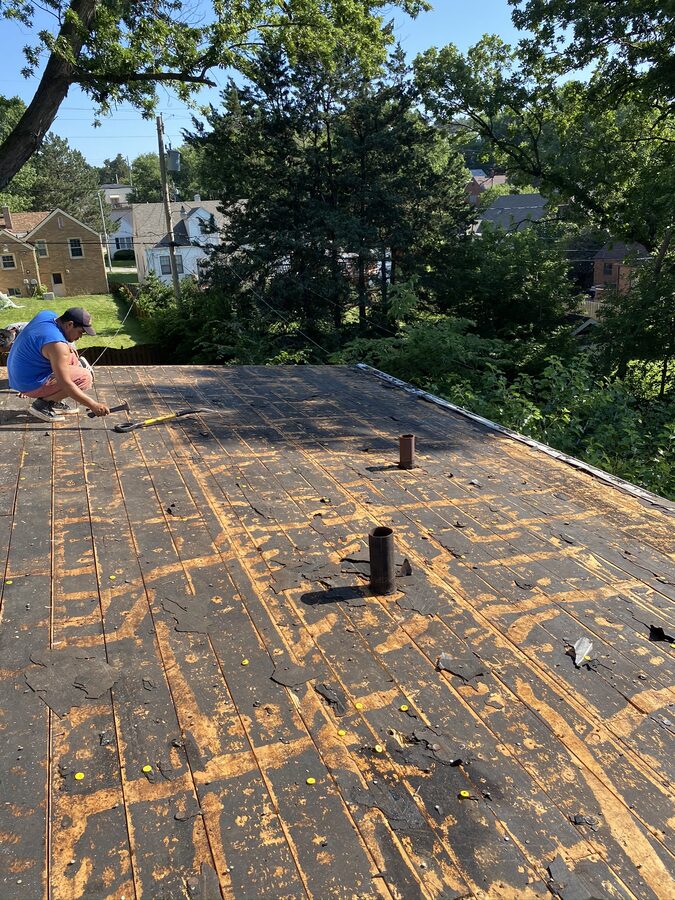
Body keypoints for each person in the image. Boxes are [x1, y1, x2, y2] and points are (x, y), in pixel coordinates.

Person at [7, 307, 110, 422]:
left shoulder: (47, 315)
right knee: (85, 377)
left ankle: (54, 400)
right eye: (81, 332)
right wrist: (93, 405)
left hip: (19, 372)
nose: (80, 337)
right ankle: (43, 405)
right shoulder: (56, 344)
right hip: (27, 383)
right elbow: (65, 384)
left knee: (70, 353)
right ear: (70, 324)